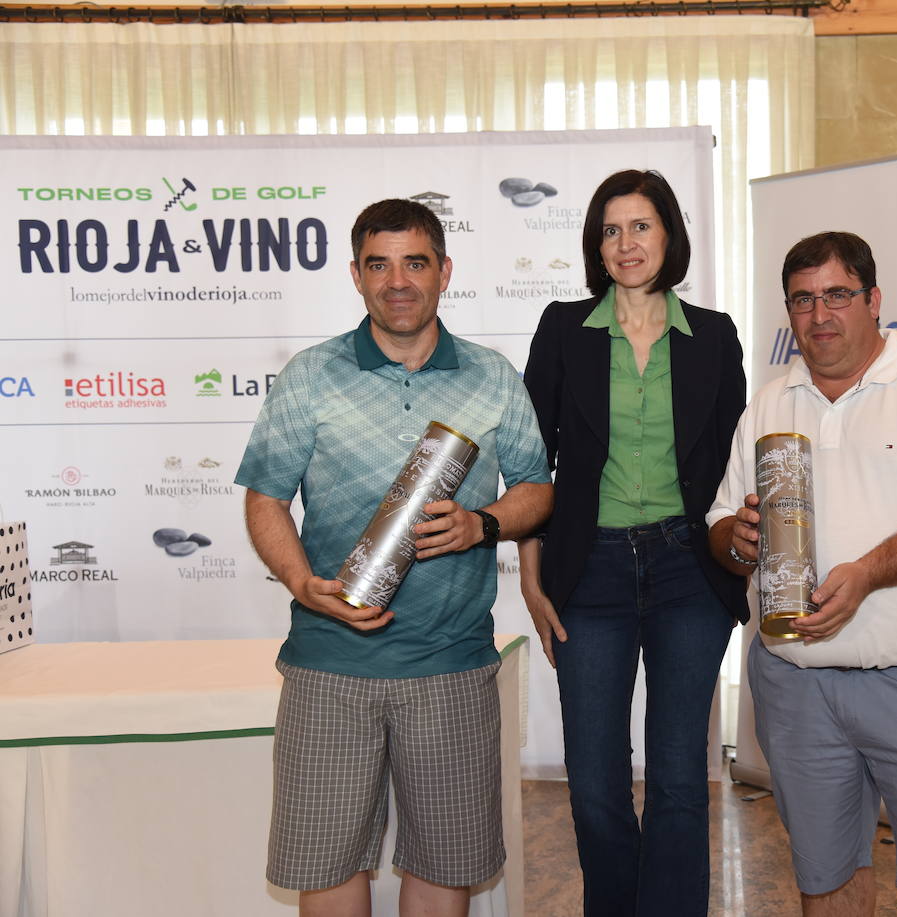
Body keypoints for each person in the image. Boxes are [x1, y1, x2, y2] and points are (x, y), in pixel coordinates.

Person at [235, 199, 553, 917]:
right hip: (328, 662)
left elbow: (538, 490)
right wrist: (297, 580)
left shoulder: (492, 375)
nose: (398, 280)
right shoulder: (311, 374)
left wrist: (484, 523)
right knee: (327, 864)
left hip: (451, 663)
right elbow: (264, 498)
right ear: (356, 275)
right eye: (379, 264)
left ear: (445, 271)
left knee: (444, 867)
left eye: (415, 262)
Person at [707, 231, 897, 917]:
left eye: (838, 295)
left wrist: (869, 572)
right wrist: (740, 538)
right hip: (796, 688)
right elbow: (721, 527)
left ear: (874, 300)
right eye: (803, 300)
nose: (820, 316)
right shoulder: (769, 404)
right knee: (827, 882)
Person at [519, 169, 747, 916]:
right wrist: (532, 577)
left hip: (690, 571)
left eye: (641, 226)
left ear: (669, 235)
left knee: (681, 779)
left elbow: (735, 460)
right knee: (593, 784)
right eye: (611, 230)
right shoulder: (562, 330)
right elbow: (530, 462)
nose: (626, 243)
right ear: (596, 244)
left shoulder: (714, 335)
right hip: (591, 576)